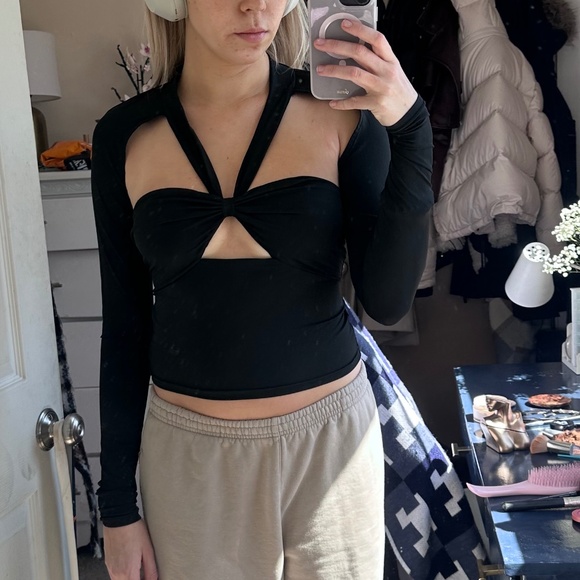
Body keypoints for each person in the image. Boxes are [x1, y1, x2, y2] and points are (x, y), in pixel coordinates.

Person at [91, 0, 433, 578]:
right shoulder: (125, 136)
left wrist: (411, 127)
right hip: (190, 462)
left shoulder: (344, 114)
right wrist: (117, 509)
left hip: (331, 450)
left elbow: (387, 299)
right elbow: (124, 328)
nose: (255, 6)